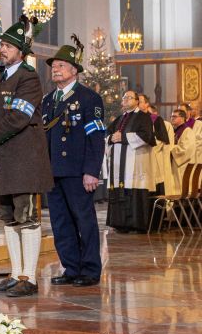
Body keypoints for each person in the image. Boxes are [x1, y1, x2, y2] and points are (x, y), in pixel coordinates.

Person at [0, 17, 53, 297]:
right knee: (9, 218)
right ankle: (16, 273)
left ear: (21, 51)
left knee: (27, 217)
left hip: (23, 159)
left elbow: (19, 118)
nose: (2, 50)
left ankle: (29, 278)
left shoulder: (28, 77)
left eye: (7, 46)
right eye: (2, 45)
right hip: (2, 160)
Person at [42, 38, 106, 287]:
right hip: (53, 170)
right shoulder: (48, 100)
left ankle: (90, 269)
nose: (55, 69)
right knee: (60, 222)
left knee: (84, 219)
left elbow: (96, 137)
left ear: (74, 70)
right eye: (53, 66)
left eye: (60, 65)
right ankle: (71, 267)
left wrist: (91, 171)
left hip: (78, 171)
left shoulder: (89, 98)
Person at [106, 89, 156, 233]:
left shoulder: (143, 117)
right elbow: (108, 134)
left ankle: (136, 224)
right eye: (124, 98)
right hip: (118, 163)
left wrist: (124, 138)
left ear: (137, 101)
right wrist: (111, 138)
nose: (125, 100)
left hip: (135, 161)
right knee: (119, 189)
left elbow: (147, 136)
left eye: (129, 97)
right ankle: (119, 223)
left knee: (134, 190)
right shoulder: (119, 119)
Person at [139, 94, 170, 194]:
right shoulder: (133, 119)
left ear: (147, 104)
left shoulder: (156, 119)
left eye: (140, 101)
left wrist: (145, 149)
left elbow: (161, 140)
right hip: (138, 161)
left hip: (152, 158)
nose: (137, 104)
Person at [169, 108, 196, 193]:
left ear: (182, 118)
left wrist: (171, 148)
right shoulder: (174, 130)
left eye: (174, 116)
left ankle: (182, 204)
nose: (172, 118)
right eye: (171, 116)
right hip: (175, 164)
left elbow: (186, 149)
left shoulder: (187, 131)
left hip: (181, 165)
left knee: (180, 188)